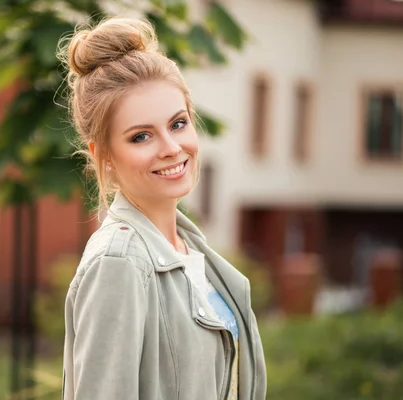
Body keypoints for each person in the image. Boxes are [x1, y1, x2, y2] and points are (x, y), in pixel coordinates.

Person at [59, 16, 267, 400]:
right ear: (103, 155)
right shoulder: (118, 263)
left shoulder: (191, 252)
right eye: (141, 136)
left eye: (178, 123)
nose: (171, 147)